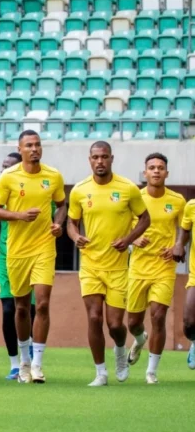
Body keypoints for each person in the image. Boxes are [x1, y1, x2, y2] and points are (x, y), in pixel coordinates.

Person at [67, 142, 150, 387]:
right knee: (93, 318)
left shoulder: (127, 188)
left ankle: (121, 351)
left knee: (114, 325)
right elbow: (71, 222)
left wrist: (128, 240)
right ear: (89, 160)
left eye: (104, 157)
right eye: (95, 157)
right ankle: (101, 373)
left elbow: (145, 219)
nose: (100, 161)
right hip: (91, 265)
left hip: (117, 268)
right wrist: (75, 236)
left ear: (111, 158)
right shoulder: (80, 190)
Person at [0, 130, 67, 384]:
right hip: (17, 251)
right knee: (21, 308)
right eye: (29, 145)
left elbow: (62, 204)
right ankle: (23, 361)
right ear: (20, 148)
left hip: (44, 248)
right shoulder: (8, 177)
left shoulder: (53, 175)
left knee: (42, 304)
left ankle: (37, 364)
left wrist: (58, 223)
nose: (34, 149)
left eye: (38, 145)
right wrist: (20, 216)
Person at [126, 153, 185, 384]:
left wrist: (177, 246)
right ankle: (140, 339)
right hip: (138, 267)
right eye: (152, 167)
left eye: (160, 167)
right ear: (145, 172)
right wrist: (132, 240)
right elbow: (121, 226)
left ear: (166, 173)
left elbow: (185, 229)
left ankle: (151, 371)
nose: (156, 171)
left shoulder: (177, 201)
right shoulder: (134, 198)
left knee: (158, 316)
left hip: (164, 267)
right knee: (132, 322)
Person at [0, 152, 37, 380]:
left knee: (30, 311)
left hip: (32, 257)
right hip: (6, 259)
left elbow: (52, 218)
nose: (4, 171)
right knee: (9, 310)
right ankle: (15, 364)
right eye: (2, 166)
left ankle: (33, 361)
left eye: (9, 167)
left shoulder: (34, 193)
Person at [175, 195, 195, 370]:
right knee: (189, 322)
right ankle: (194, 341)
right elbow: (185, 230)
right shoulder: (191, 206)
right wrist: (180, 243)